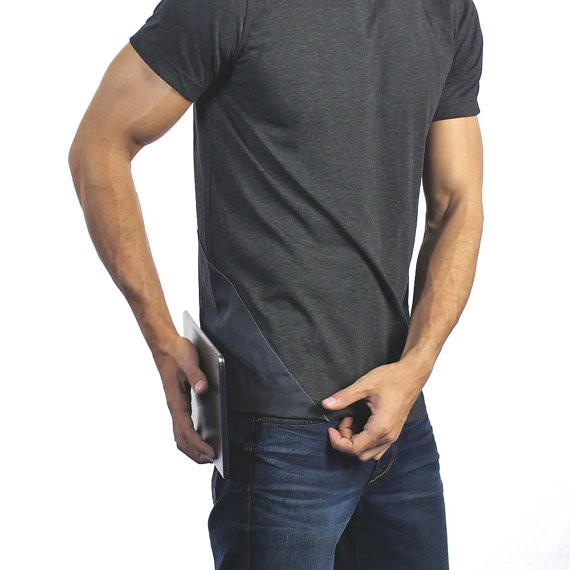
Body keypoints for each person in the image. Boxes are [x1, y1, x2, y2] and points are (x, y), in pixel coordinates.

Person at [68, 0, 484, 567]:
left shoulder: (447, 10)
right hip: (276, 433)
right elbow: (99, 145)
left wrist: (417, 365)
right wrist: (162, 337)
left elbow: (458, 201)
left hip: (398, 424)